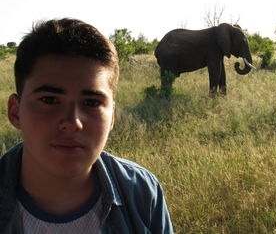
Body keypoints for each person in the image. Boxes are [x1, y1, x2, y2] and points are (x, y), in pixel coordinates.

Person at [0, 18, 174, 233]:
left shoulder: (141, 191)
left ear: (111, 117)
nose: (73, 123)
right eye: (49, 100)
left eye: (91, 103)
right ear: (15, 112)